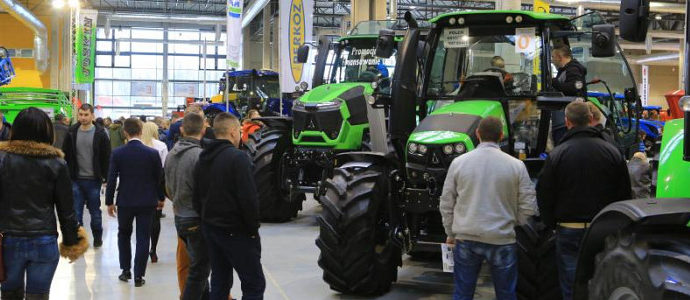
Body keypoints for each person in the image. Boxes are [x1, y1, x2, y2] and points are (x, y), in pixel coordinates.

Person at [537, 101, 631, 300]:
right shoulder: (612, 152)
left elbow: (545, 193)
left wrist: (551, 223)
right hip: (603, 228)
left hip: (569, 228)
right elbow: (624, 193)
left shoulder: (557, 154)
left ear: (567, 122)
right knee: (602, 279)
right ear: (590, 120)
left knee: (571, 283)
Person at [440, 116, 538, 300]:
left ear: (477, 134)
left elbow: (446, 202)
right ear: (501, 135)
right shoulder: (516, 166)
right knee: (506, 294)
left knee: (462, 294)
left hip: (466, 239)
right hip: (502, 239)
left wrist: (451, 232)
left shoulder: (459, 163)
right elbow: (528, 207)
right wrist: (511, 224)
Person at [0, 107, 88, 300]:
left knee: (9, 295)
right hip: (44, 239)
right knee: (38, 296)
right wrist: (71, 241)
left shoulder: (2, 159)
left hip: (7, 239)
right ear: (47, 131)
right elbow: (66, 209)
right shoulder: (56, 163)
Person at [193, 112, 266, 300]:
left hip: (211, 230)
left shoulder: (203, 158)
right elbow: (248, 199)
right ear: (233, 132)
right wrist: (252, 229)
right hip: (237, 232)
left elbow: (196, 196)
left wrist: (206, 221)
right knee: (253, 283)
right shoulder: (238, 158)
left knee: (220, 280)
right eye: (240, 130)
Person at [106, 118, 165, 287]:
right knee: (143, 237)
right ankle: (139, 275)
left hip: (125, 201)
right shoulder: (152, 153)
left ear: (125, 132)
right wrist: (160, 197)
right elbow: (158, 179)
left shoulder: (118, 153)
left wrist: (109, 201)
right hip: (147, 201)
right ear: (141, 131)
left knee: (123, 234)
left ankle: (125, 270)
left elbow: (111, 179)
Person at [166, 113, 211, 299]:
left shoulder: (171, 154)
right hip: (195, 219)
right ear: (204, 129)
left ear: (182, 130)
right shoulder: (200, 156)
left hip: (179, 217)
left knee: (197, 266)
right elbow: (205, 191)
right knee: (199, 270)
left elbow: (167, 187)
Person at [62, 103, 111, 248]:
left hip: (94, 180)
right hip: (75, 179)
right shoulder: (71, 132)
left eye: (86, 115)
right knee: (76, 212)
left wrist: (106, 177)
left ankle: (97, 237)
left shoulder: (101, 133)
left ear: (92, 115)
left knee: (95, 211)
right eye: (81, 115)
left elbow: (106, 156)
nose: (83, 118)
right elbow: (65, 154)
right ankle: (80, 239)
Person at [142, 122, 169, 263]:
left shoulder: (137, 145)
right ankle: (153, 248)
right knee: (155, 219)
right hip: (156, 186)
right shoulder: (161, 146)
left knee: (141, 220)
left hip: (140, 188)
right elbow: (164, 169)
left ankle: (142, 247)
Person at [551, 45, 588, 145]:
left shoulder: (573, 69)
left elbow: (574, 88)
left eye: (553, 57)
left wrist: (554, 82)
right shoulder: (564, 71)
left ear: (559, 57)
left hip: (568, 116)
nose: (552, 60)